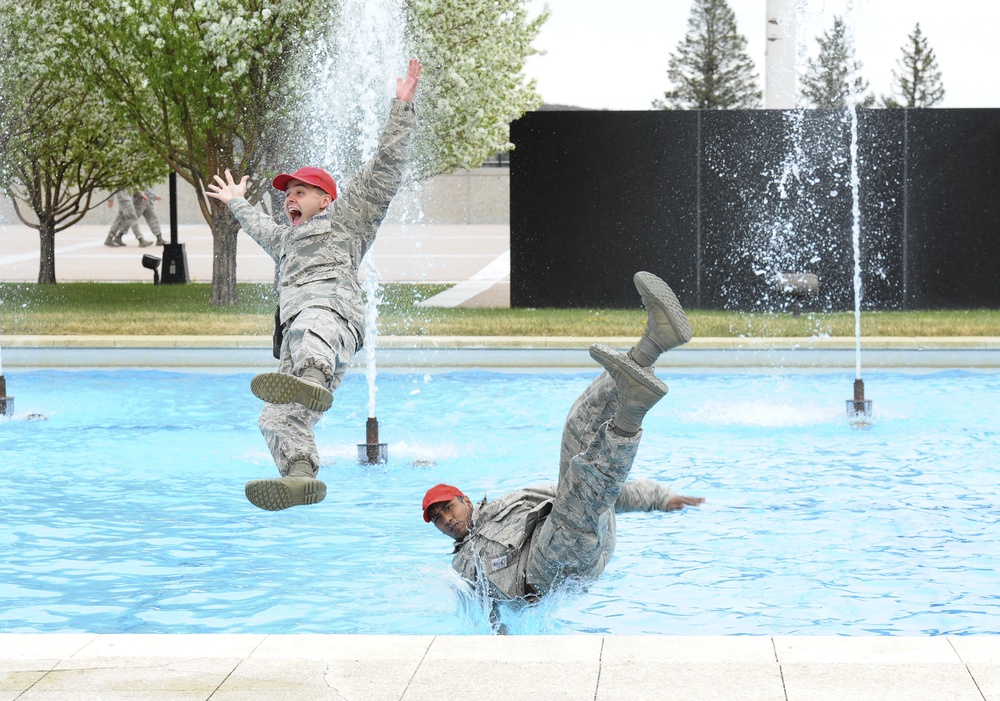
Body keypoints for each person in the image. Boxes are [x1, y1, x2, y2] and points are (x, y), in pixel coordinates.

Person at [205, 58, 422, 512]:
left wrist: (401, 108)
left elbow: (385, 166)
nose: (290, 198)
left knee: (308, 322)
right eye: (287, 194)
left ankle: (313, 376)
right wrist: (236, 201)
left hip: (332, 322)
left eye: (300, 191)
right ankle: (300, 475)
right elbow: (258, 225)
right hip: (303, 349)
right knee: (277, 415)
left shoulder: (347, 218)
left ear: (326, 199)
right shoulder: (286, 239)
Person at [422, 272, 705, 604]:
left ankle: (655, 341)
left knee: (577, 426)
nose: (448, 520)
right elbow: (488, 617)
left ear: (466, 500)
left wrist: (657, 498)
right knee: (579, 492)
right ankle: (632, 410)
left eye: (449, 509)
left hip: (581, 535)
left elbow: (594, 495)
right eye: (440, 520)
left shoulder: (511, 502)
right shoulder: (462, 566)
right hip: (547, 574)